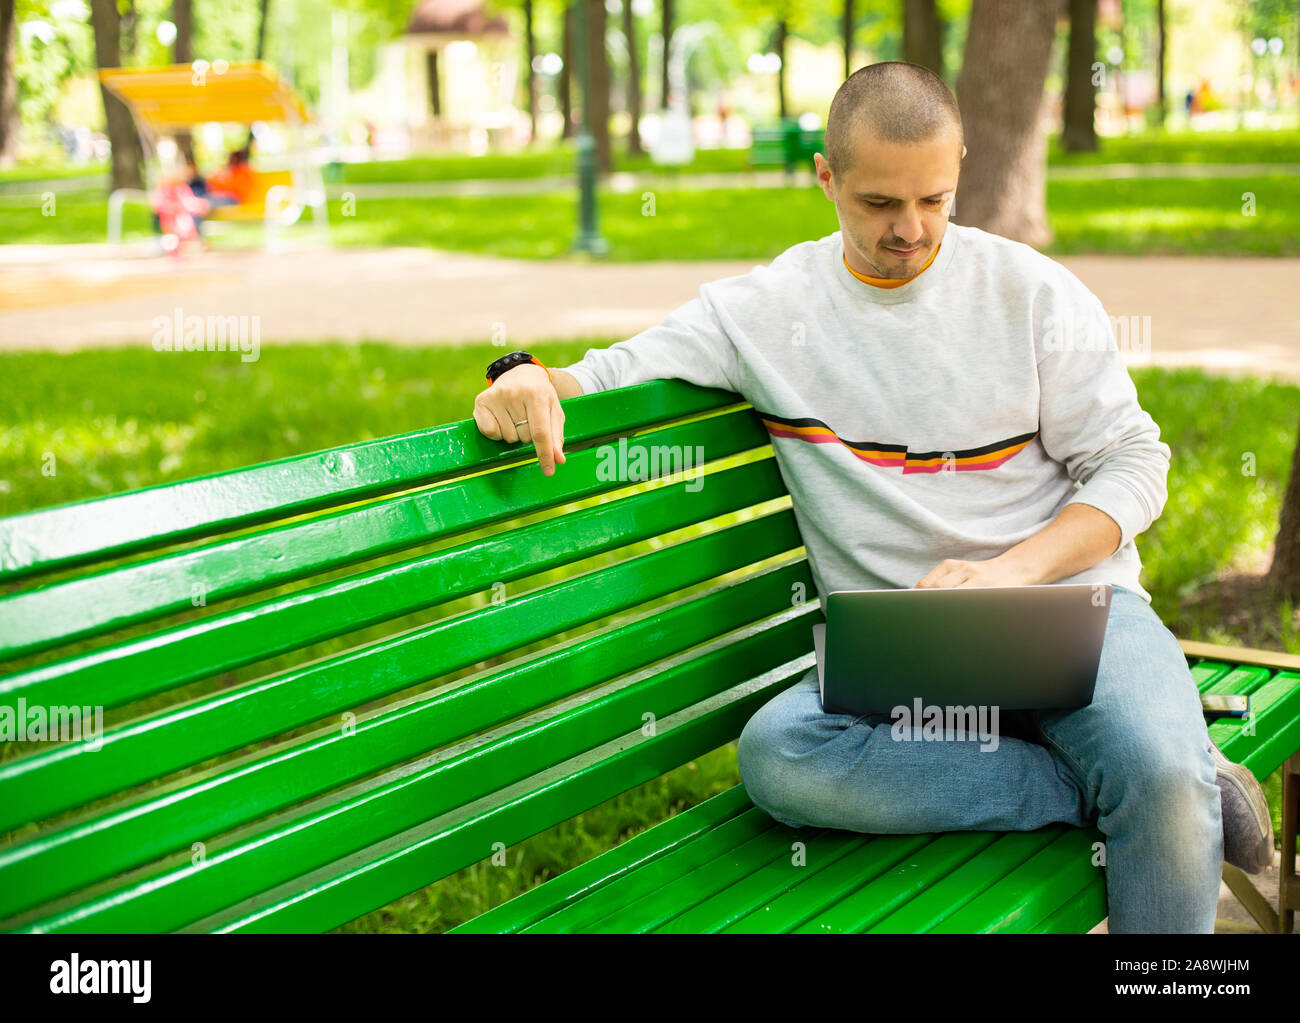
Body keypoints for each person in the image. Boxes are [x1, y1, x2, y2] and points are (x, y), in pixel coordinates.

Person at [469, 61, 1274, 934]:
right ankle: (1121, 791)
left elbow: (1133, 461)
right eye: (880, 204)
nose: (911, 229)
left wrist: (1013, 570)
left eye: (935, 199)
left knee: (1157, 772)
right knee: (781, 757)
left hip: (1074, 609)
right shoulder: (760, 311)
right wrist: (516, 379)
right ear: (826, 176)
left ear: (960, 164)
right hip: (903, 654)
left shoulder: (1033, 293)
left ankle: (1160, 790)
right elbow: (598, 376)